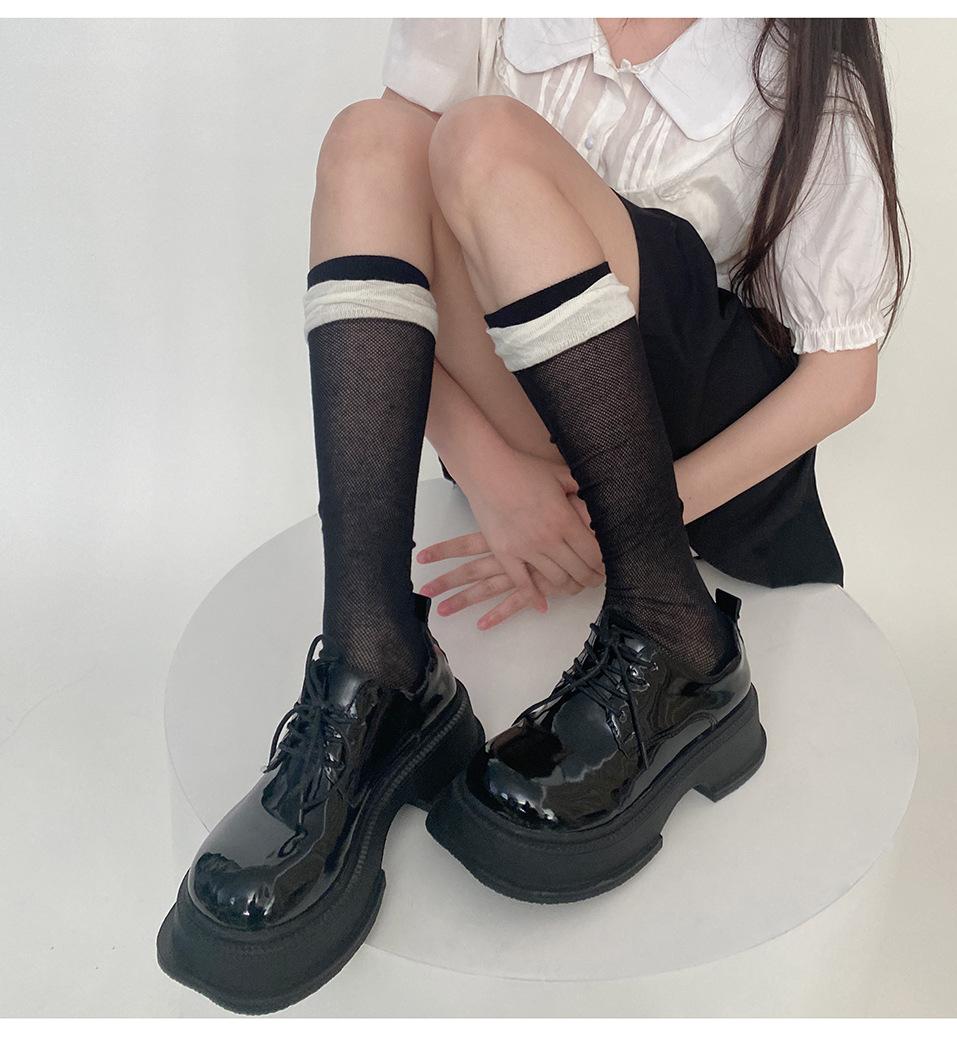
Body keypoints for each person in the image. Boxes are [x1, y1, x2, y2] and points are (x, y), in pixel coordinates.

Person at [157, 17, 907, 1012]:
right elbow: (392, 242)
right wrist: (491, 474)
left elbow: (845, 376)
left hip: (680, 440)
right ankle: (374, 661)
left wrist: (635, 516)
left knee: (483, 139)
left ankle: (669, 621)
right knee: (371, 143)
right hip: (526, 415)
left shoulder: (795, 60)